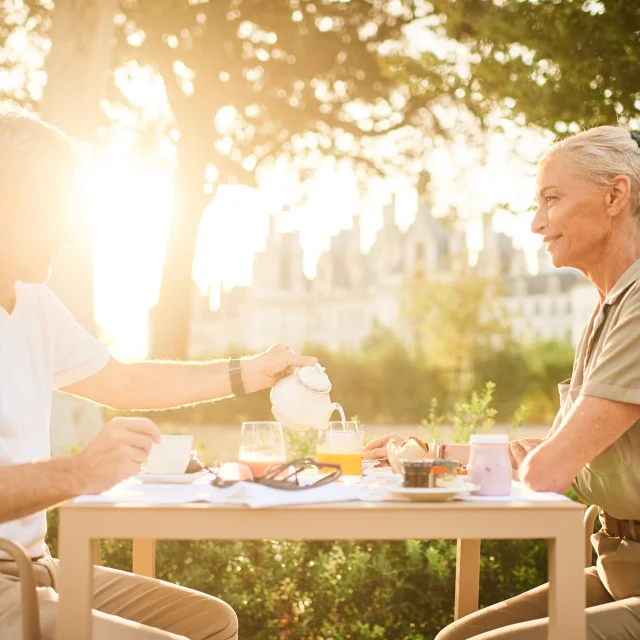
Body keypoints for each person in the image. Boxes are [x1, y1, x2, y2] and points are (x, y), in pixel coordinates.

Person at [0, 107, 318, 639]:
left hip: (36, 567)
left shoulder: (33, 303)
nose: (72, 232)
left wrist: (249, 372)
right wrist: (78, 472)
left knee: (211, 623)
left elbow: (123, 382)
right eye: (58, 210)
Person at [364, 125, 640, 640]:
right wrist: (431, 453)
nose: (537, 224)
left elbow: (547, 472)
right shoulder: (608, 307)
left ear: (615, 196)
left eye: (551, 200)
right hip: (617, 572)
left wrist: (429, 467)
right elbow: (559, 455)